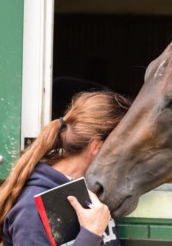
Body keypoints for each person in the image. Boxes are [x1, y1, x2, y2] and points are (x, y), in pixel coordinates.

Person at [0, 91, 131, 246]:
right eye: (126, 148)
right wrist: (90, 235)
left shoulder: (90, 191)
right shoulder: (31, 208)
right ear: (97, 147)